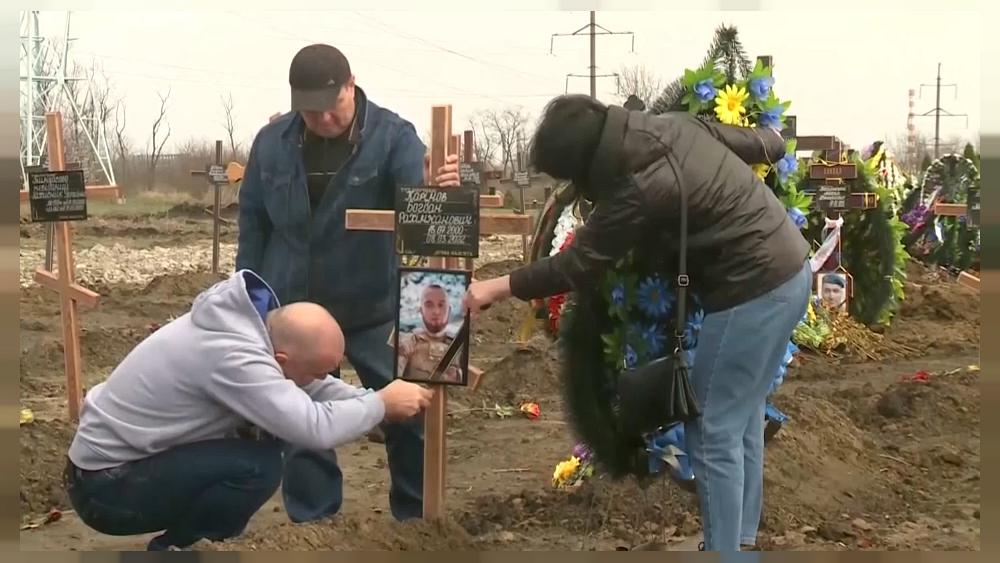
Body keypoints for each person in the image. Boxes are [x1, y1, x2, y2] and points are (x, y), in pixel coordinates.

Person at [463, 94, 812, 551]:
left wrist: (497, 286)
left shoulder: (639, 187)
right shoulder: (675, 125)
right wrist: (763, 150)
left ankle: (724, 550)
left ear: (583, 164)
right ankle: (739, 541)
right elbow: (767, 144)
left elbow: (579, 263)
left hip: (752, 291)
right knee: (740, 415)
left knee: (712, 429)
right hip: (791, 271)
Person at [235, 43, 460, 523]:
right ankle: (314, 523)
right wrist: (247, 297)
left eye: (331, 107)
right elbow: (253, 222)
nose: (322, 120)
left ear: (351, 85)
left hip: (374, 304)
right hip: (294, 307)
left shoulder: (393, 137)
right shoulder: (271, 143)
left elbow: (420, 209)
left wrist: (436, 188)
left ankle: (415, 521)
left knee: (409, 409)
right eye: (310, 112)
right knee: (299, 418)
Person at [65, 270, 434, 551]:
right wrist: (379, 404)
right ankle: (180, 550)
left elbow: (311, 385)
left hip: (123, 466)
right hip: (105, 488)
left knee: (258, 444)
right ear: (281, 359)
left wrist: (370, 399)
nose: (323, 378)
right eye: (319, 369)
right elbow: (311, 428)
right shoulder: (233, 356)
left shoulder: (252, 330)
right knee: (258, 465)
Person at [397, 284, 462, 383]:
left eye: (441, 305)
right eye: (429, 305)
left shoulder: (459, 346)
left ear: (449, 310)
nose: (436, 311)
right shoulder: (407, 342)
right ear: (421, 311)